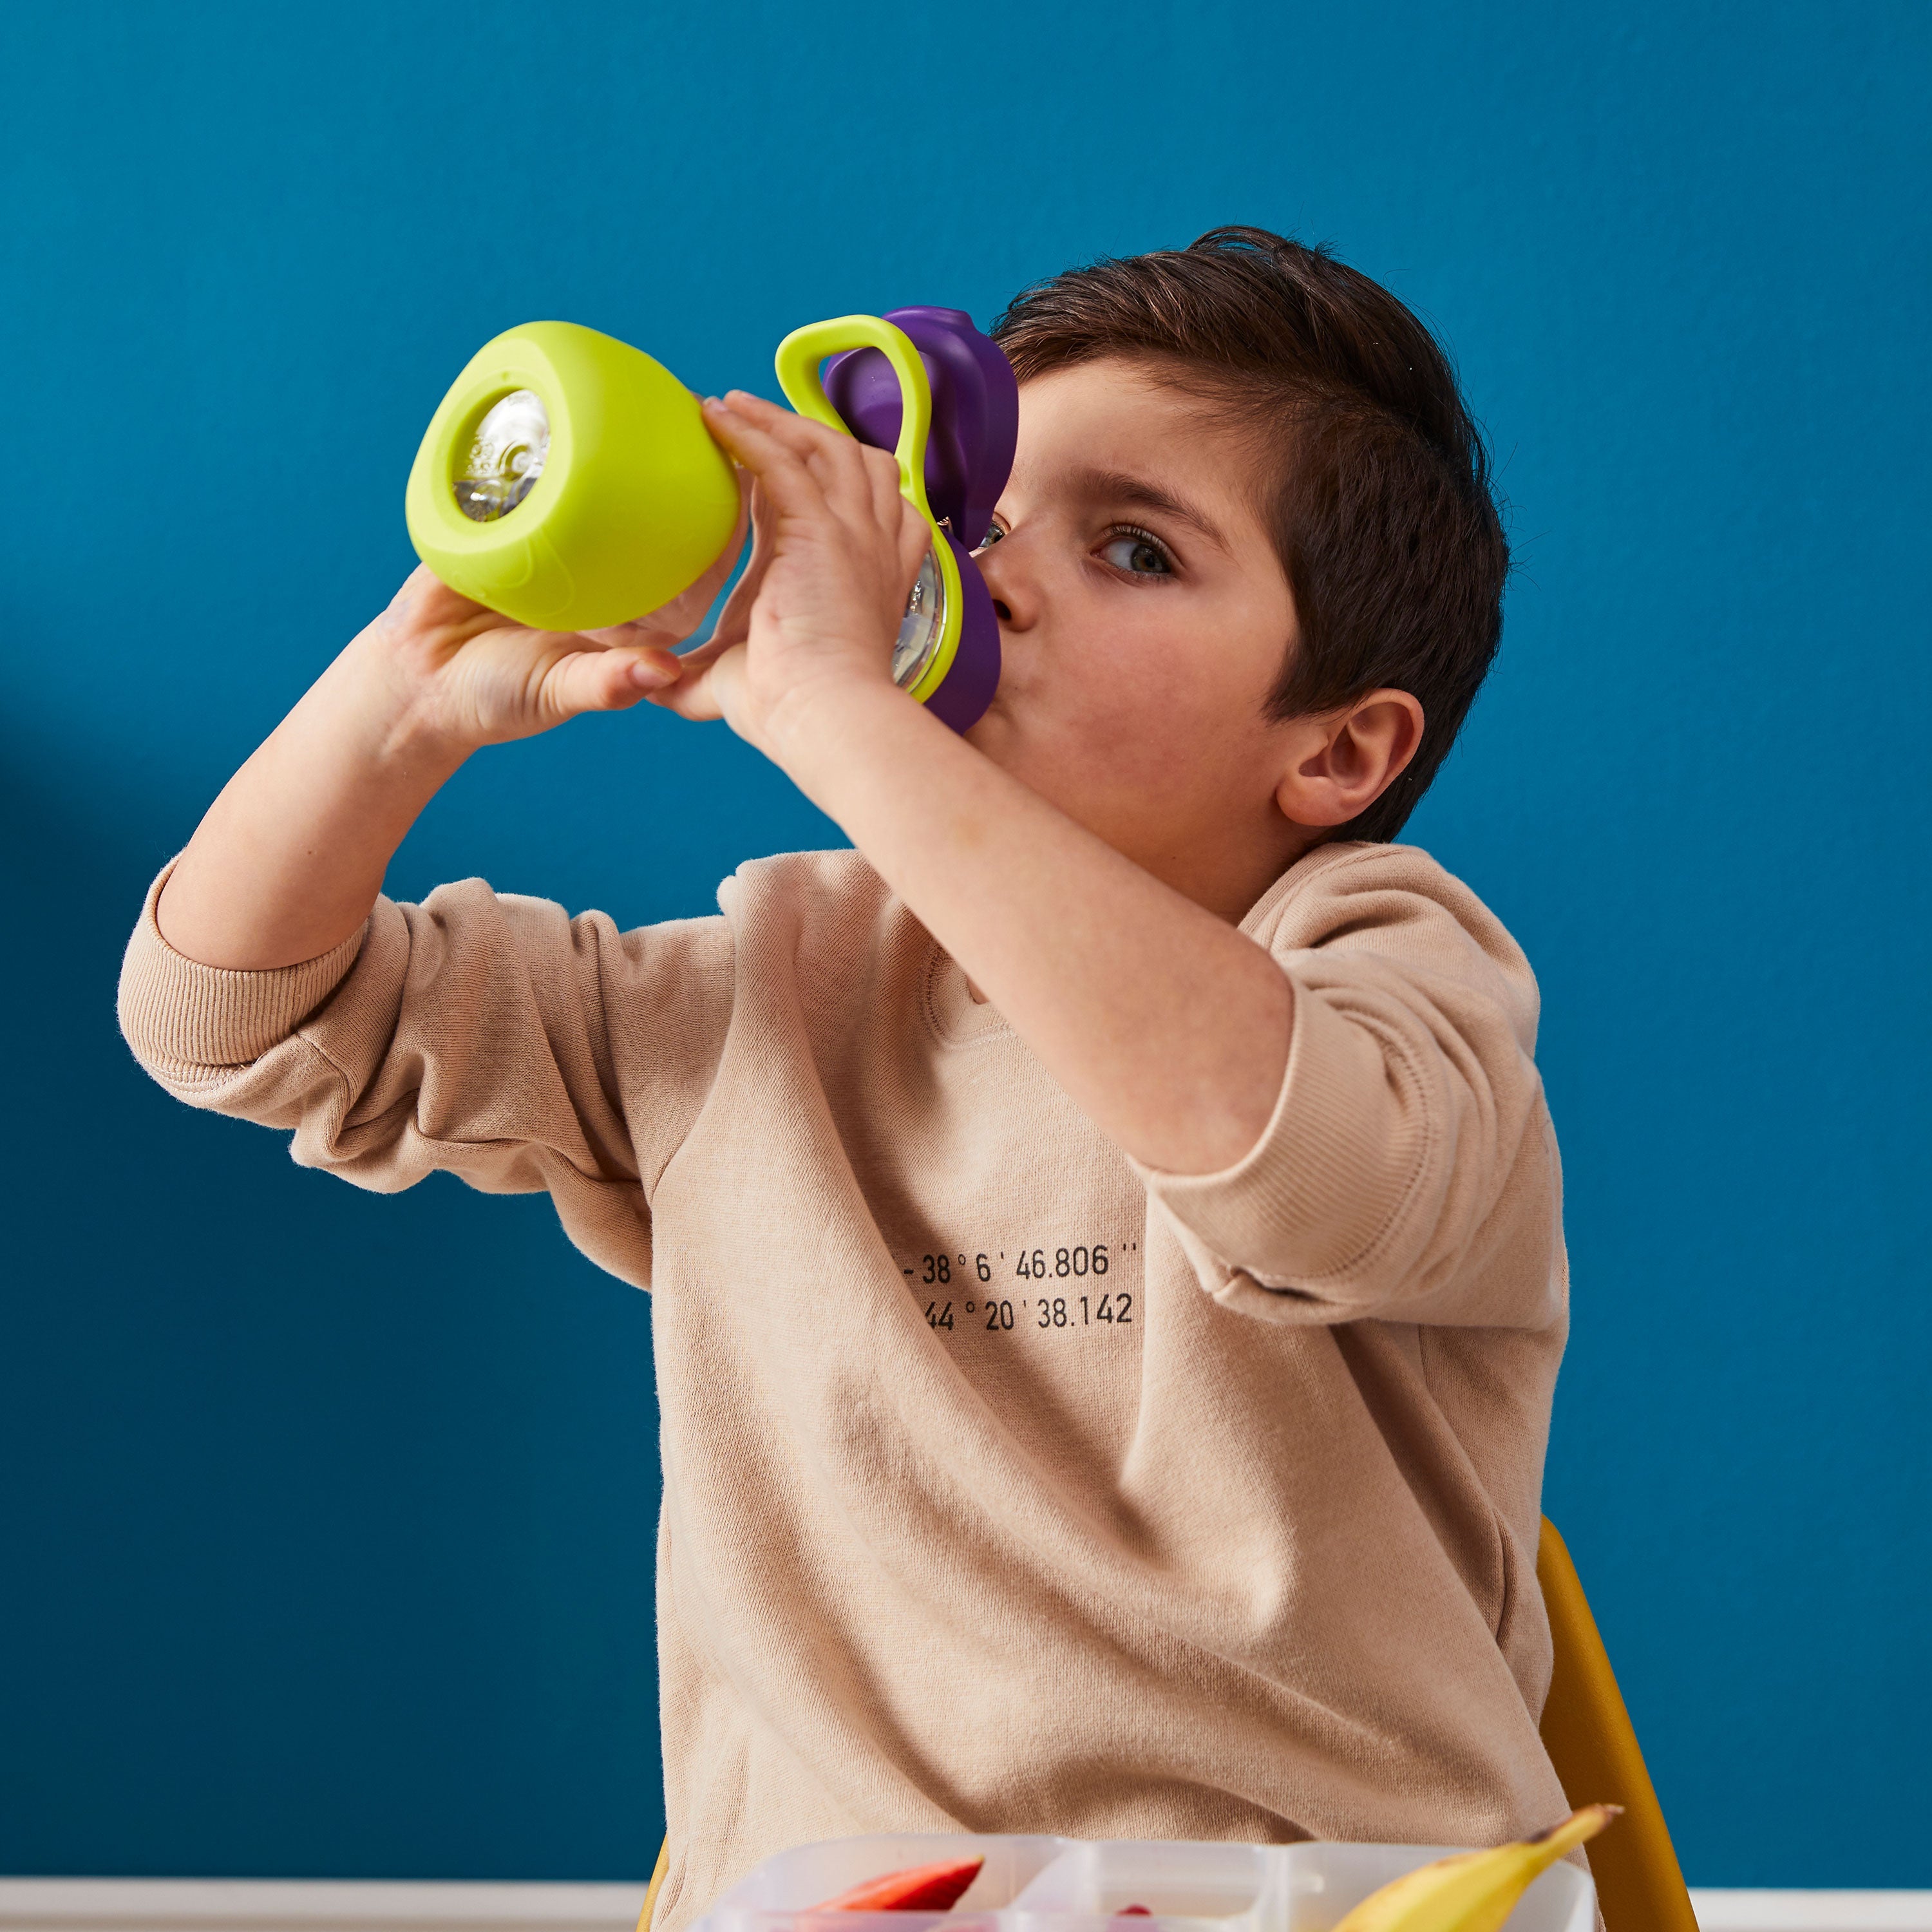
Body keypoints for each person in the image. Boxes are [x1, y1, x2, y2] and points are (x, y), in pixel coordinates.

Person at [119, 227, 1571, 1928]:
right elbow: (227, 1015)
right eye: (972, 515)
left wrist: (828, 712)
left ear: (1339, 748)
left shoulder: (1387, 967)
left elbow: (1290, 1164)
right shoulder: (765, 984)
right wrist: (401, 703)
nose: (994, 578)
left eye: (1134, 549)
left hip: (1318, 1900)